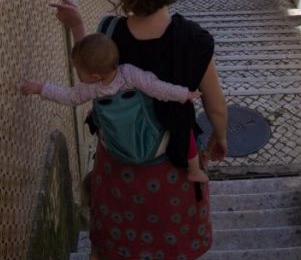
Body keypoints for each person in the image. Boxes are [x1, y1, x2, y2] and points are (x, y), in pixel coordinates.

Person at [51, 0, 228, 260]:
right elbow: (215, 105)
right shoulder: (194, 41)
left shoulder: (110, 31)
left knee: (114, 243)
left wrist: (77, 27)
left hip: (117, 165)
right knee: (172, 251)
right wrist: (220, 138)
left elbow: (91, 74)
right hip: (174, 165)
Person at [21, 31, 208, 183]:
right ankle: (194, 169)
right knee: (183, 123)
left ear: (94, 77)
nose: (78, 75)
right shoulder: (129, 74)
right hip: (151, 139)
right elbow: (158, 88)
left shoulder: (92, 89)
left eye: (80, 72)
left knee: (96, 117)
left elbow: (68, 97)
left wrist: (41, 89)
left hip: (115, 147)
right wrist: (184, 94)